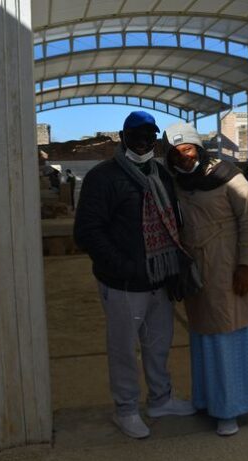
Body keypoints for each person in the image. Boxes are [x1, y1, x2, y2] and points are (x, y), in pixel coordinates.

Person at [74, 111, 196, 439]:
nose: (143, 141)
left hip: (160, 278)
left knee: (158, 345)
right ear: (123, 136)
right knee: (124, 350)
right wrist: (123, 267)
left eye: (149, 136)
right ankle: (125, 409)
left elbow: (174, 221)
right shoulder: (103, 177)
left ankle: (161, 400)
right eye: (137, 135)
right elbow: (87, 231)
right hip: (124, 282)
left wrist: (174, 265)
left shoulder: (161, 174)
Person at [163, 122, 248, 437]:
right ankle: (208, 400)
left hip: (227, 269)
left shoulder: (228, 176)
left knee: (228, 334)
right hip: (197, 272)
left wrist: (247, 266)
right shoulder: (177, 183)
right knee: (203, 337)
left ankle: (230, 410)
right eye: (176, 153)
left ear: (198, 148)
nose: (183, 157)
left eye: (188, 149)